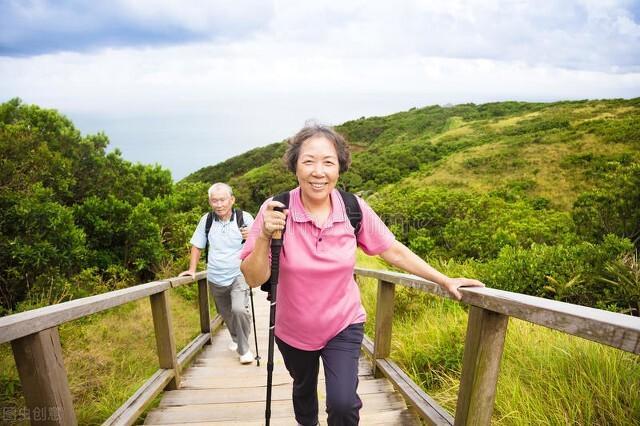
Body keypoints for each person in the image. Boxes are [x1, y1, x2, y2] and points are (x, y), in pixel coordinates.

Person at [240, 123, 485, 426]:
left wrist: (444, 279)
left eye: (328, 162)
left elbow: (393, 250)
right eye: (309, 161)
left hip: (343, 323)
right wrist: (264, 235)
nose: (319, 172)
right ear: (295, 166)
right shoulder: (276, 209)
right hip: (293, 328)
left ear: (340, 167)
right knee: (303, 389)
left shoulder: (353, 208)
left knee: (343, 404)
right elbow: (252, 277)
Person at [179, 182, 255, 364]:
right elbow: (197, 245)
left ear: (232, 200)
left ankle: (244, 350)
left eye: (222, 200)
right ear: (210, 202)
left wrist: (251, 236)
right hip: (215, 276)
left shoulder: (244, 218)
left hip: (239, 272)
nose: (219, 204)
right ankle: (237, 338)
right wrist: (191, 270)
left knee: (238, 309)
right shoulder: (207, 220)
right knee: (227, 313)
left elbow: (259, 243)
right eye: (215, 201)